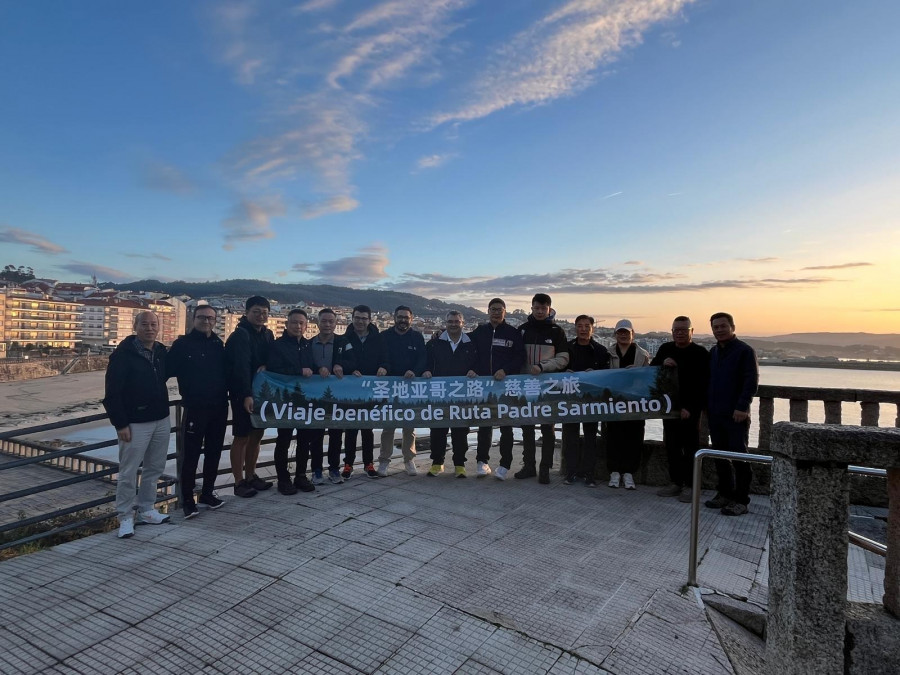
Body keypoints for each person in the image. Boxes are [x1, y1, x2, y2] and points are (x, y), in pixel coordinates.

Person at [102, 311, 171, 538]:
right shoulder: (123, 355)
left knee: (154, 468)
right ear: (135, 326)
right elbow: (112, 393)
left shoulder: (160, 351)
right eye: (145, 324)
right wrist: (120, 423)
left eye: (153, 324)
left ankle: (147, 509)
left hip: (161, 419)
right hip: (134, 423)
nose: (150, 328)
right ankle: (124, 517)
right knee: (128, 471)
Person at [167, 305, 228, 519]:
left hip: (219, 407)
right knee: (190, 455)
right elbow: (165, 371)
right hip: (194, 407)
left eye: (210, 318)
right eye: (202, 317)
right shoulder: (182, 344)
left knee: (214, 452)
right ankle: (187, 500)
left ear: (215, 321)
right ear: (194, 319)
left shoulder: (218, 344)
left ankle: (207, 494)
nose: (206, 321)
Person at [651, 316, 710, 503]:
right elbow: (651, 373)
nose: (680, 333)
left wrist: (690, 408)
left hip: (689, 411)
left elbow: (703, 385)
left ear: (692, 331)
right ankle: (675, 482)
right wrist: (662, 363)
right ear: (672, 331)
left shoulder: (700, 353)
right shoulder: (665, 349)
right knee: (672, 447)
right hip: (669, 409)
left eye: (684, 330)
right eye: (676, 330)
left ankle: (692, 486)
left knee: (691, 448)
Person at [705, 312, 759, 516]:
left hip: (736, 414)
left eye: (722, 326)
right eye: (715, 327)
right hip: (715, 413)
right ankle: (724, 493)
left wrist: (743, 406)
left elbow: (751, 381)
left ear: (732, 327)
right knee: (720, 455)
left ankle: (741, 500)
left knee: (739, 457)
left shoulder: (745, 351)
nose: (719, 330)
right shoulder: (714, 352)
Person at [469, 298, 525, 480]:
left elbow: (520, 357)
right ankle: (481, 461)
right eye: (493, 309)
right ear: (488, 311)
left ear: (505, 312)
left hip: (506, 386)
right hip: (485, 386)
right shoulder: (479, 332)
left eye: (499, 309)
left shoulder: (513, 333)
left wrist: (506, 370)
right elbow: (467, 348)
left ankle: (504, 464)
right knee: (484, 424)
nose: (496, 312)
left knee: (506, 426)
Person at [516, 293, 569, 484]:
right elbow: (513, 356)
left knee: (548, 428)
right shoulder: (522, 330)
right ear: (531, 308)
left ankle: (545, 467)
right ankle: (528, 465)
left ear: (549, 309)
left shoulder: (557, 331)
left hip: (548, 387)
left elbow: (563, 358)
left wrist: (543, 366)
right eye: (536, 308)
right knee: (527, 428)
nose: (539, 311)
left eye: (543, 308)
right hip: (526, 387)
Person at [224, 296, 275, 498]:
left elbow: (273, 357)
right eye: (256, 311)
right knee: (241, 436)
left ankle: (251, 475)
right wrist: (246, 394)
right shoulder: (239, 336)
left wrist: (268, 366)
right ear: (246, 313)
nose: (261, 315)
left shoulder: (267, 334)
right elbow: (240, 368)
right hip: (242, 394)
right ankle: (238, 482)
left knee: (257, 435)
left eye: (264, 312)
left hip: (261, 393)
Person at [266, 308, 315, 495]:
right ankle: (283, 479)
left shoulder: (308, 345)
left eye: (302, 323)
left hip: (304, 400)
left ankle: (301, 475)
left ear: (306, 326)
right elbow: (274, 368)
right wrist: (299, 371)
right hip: (285, 400)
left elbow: (312, 368)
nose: (298, 326)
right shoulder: (277, 346)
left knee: (304, 440)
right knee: (284, 440)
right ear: (287, 324)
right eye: (294, 322)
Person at [424, 311, 478, 478]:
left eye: (457, 321)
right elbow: (425, 361)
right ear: (445, 323)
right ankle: (437, 462)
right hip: (439, 394)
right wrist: (425, 370)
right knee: (437, 429)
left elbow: (478, 364)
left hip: (462, 395)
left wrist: (474, 371)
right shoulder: (434, 343)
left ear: (463, 323)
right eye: (450, 321)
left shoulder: (471, 344)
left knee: (461, 430)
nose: (453, 324)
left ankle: (459, 464)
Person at [339, 305, 388, 479]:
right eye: (357, 318)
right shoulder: (344, 338)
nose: (360, 321)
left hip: (371, 389)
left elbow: (386, 358)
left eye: (364, 318)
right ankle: (348, 464)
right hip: (351, 389)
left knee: (368, 429)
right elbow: (340, 361)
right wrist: (350, 369)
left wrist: (384, 367)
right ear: (352, 318)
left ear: (369, 320)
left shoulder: (378, 339)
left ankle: (369, 463)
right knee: (351, 429)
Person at [561, 315, 610, 486]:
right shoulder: (566, 348)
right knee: (570, 437)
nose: (583, 329)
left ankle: (589, 473)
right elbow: (557, 371)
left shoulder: (601, 350)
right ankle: (571, 472)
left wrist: (595, 373)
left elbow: (607, 375)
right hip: (570, 400)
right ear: (575, 328)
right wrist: (564, 373)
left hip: (591, 402)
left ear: (592, 329)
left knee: (590, 438)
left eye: (586, 326)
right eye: (580, 326)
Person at [378, 306, 426, 476]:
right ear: (394, 317)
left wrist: (416, 371)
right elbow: (380, 357)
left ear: (411, 319)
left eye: (406, 317)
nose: (403, 320)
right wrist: (383, 368)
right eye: (400, 317)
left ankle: (409, 459)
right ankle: (384, 461)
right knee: (388, 426)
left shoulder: (417, 337)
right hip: (389, 388)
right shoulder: (384, 336)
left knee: (409, 426)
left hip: (410, 387)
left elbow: (423, 358)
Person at [605, 319, 651, 490]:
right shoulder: (608, 352)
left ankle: (629, 472)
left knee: (634, 437)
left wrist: (637, 374)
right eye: (620, 332)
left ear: (633, 333)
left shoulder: (643, 354)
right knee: (613, 437)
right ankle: (614, 471)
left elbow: (649, 379)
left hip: (635, 404)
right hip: (613, 403)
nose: (623, 335)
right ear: (615, 334)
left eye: (626, 332)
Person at [307, 308, 346, 485]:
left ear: (336, 323)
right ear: (317, 322)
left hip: (337, 397)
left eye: (331, 321)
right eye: (324, 321)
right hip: (315, 398)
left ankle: (334, 468)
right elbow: (303, 365)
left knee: (336, 435)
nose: (328, 324)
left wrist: (339, 364)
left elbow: (352, 361)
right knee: (316, 435)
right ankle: (316, 469)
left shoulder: (343, 343)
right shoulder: (308, 344)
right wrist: (317, 370)